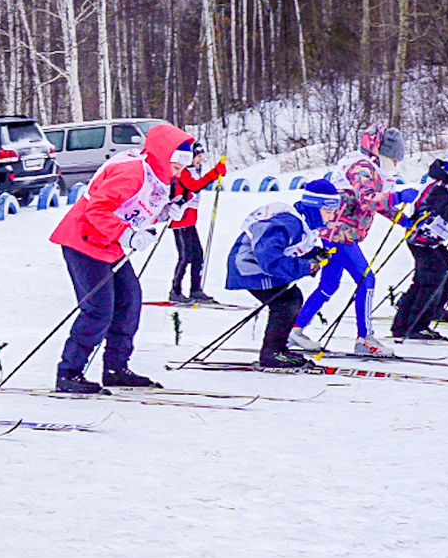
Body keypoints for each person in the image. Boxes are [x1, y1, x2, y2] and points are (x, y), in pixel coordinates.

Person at [49, 122, 196, 394]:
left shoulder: (156, 176)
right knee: (99, 308)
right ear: (164, 157)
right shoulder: (131, 172)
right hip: (83, 240)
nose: (179, 174)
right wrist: (127, 235)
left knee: (129, 301)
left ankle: (116, 368)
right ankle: (69, 372)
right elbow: (98, 210)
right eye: (176, 167)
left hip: (109, 244)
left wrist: (165, 213)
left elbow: (136, 208)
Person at [284, 124, 413, 358]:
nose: (395, 162)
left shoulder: (372, 169)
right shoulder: (362, 167)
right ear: (378, 150)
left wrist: (404, 220)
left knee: (329, 285)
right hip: (339, 234)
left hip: (341, 233)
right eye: (392, 156)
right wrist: (398, 197)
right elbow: (367, 200)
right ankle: (365, 338)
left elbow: (378, 204)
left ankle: (295, 329)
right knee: (366, 279)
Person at [224, 189, 337, 367]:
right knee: (286, 302)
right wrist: (305, 267)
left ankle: (277, 349)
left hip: (258, 266)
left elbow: (290, 250)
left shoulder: (302, 223)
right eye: (328, 212)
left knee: (291, 299)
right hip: (249, 267)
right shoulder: (288, 223)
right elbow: (269, 258)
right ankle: (271, 353)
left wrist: (315, 254)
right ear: (314, 208)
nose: (331, 217)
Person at [390, 148, 448, 340]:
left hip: (433, 241)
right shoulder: (439, 188)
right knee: (433, 278)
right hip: (421, 240)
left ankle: (414, 320)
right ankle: (415, 326)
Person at [166, 150, 227, 303]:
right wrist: (214, 173)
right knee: (185, 257)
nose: (201, 159)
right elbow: (194, 186)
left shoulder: (192, 171)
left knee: (198, 256)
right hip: (180, 221)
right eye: (198, 156)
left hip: (190, 221)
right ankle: (175, 291)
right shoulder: (183, 172)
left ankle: (195, 289)